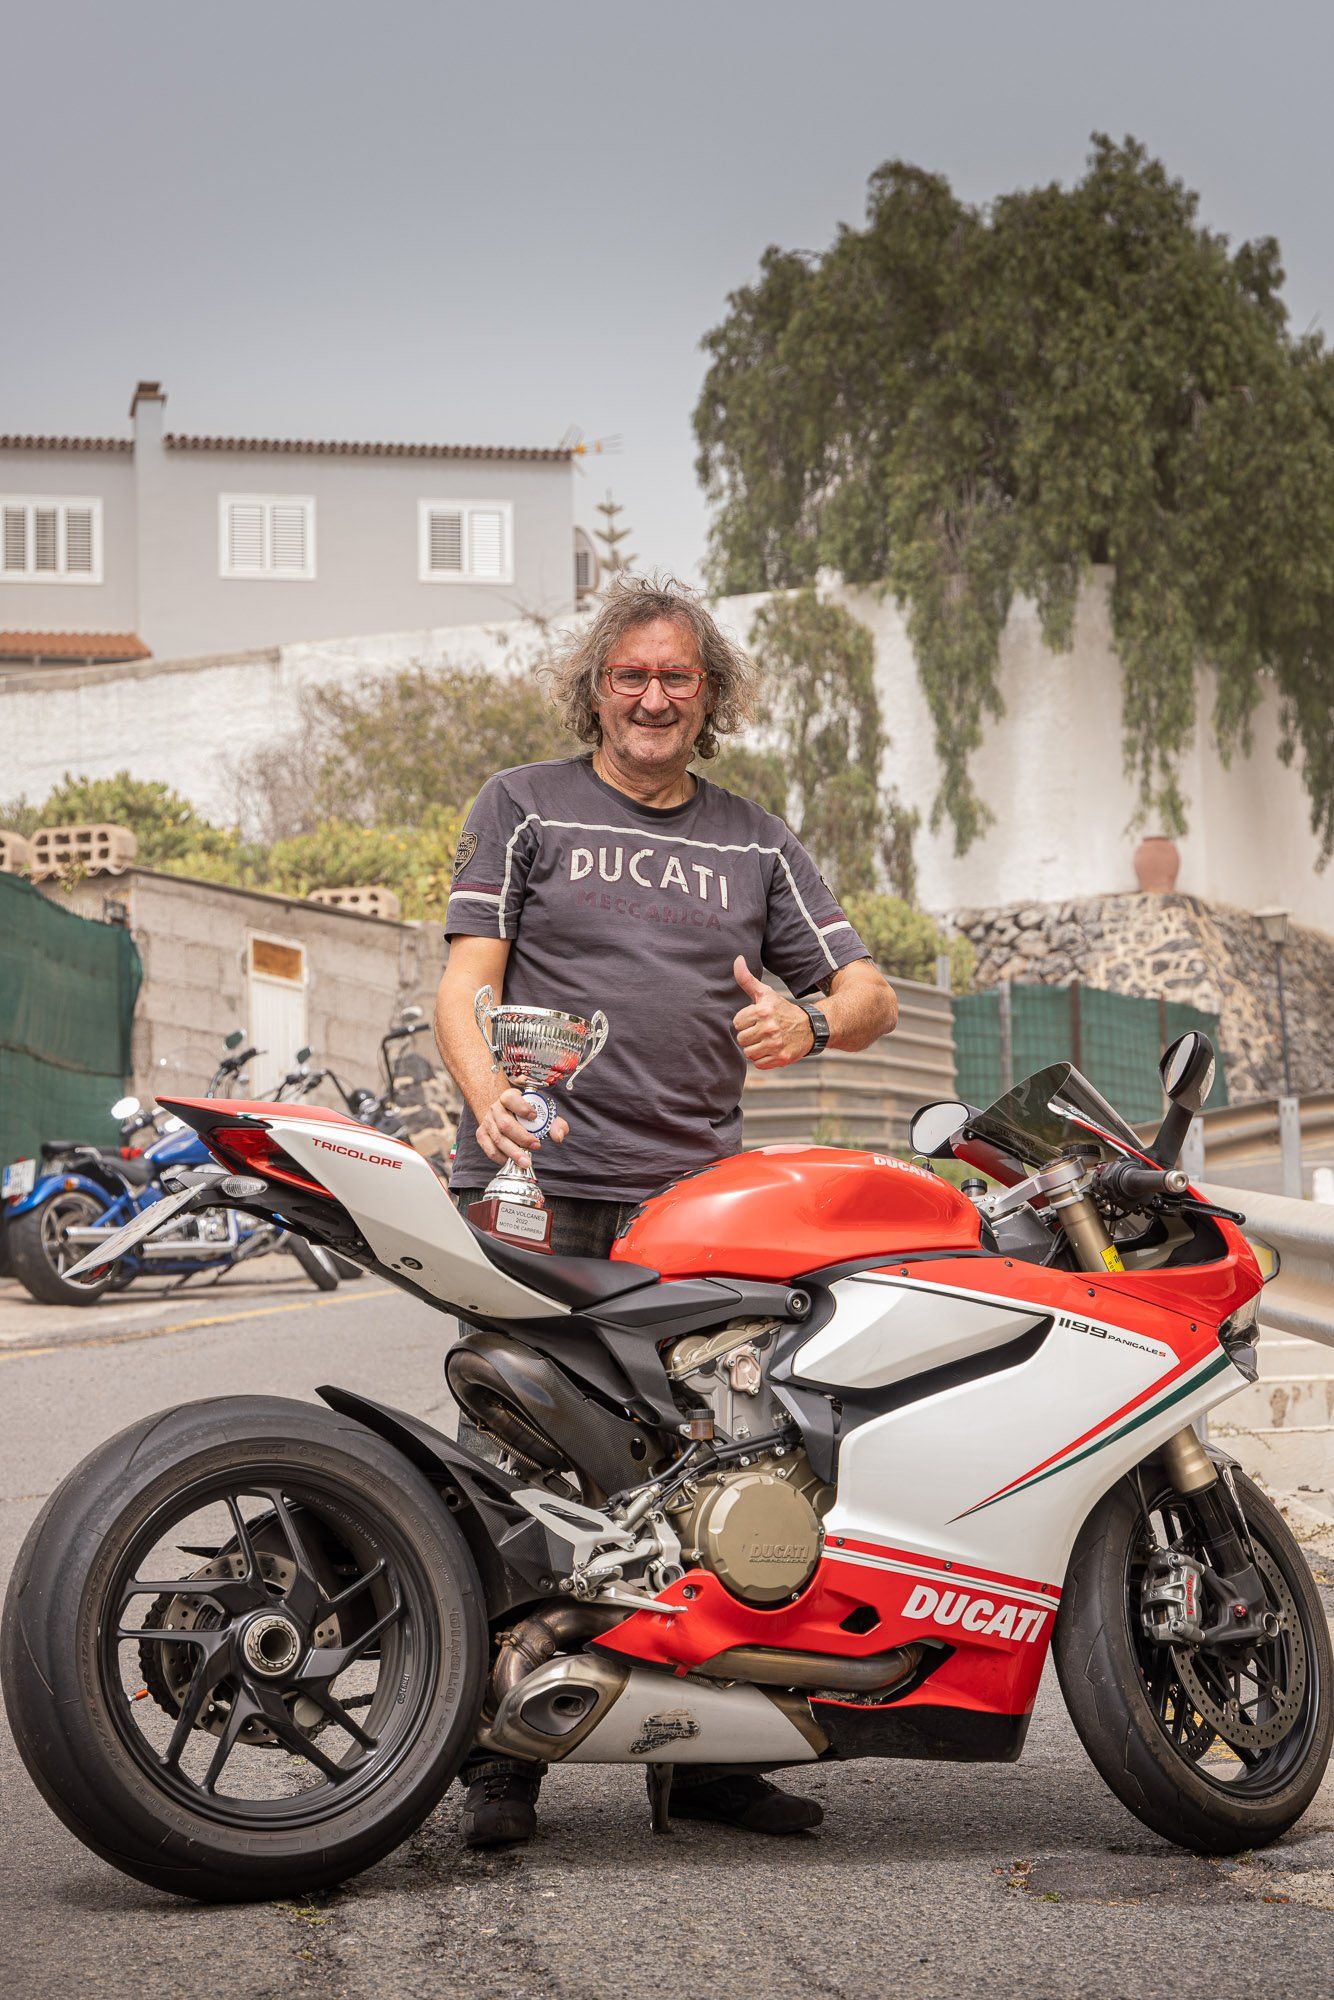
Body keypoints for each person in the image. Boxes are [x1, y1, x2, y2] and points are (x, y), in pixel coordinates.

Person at [434, 574, 899, 1847]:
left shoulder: (753, 838)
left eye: (676, 677)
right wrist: (487, 1097)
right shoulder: (522, 805)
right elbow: (466, 981)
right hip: (537, 1189)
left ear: (711, 696)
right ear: (596, 685)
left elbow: (869, 992)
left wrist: (807, 1018)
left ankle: (703, 1759)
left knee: (718, 1462)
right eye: (629, 674)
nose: (651, 696)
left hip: (697, 1207)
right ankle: (494, 1758)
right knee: (519, 1463)